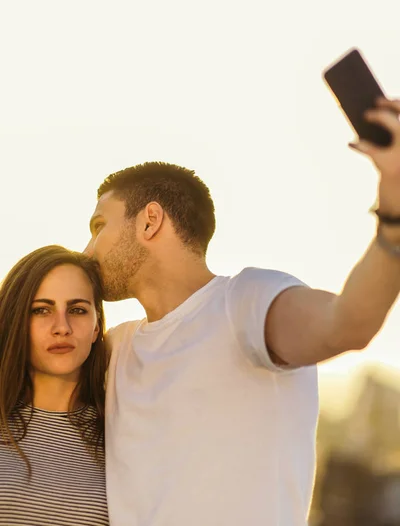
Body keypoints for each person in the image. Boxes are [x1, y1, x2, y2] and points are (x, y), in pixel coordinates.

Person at [85, 97, 400, 526]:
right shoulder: (113, 348)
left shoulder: (245, 303)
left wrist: (395, 210)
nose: (87, 250)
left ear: (149, 221)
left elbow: (347, 324)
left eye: (100, 226)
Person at [0, 246, 109, 526]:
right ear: (16, 321)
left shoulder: (121, 434)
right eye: (41, 310)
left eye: (77, 309)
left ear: (96, 327)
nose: (62, 327)